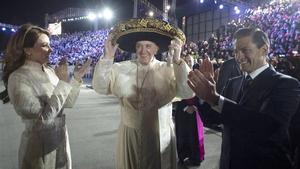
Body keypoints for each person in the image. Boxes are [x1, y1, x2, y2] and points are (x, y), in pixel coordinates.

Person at [187, 27, 300, 169]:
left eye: (245, 50)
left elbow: (266, 127)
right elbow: (213, 119)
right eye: (235, 51)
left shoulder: (286, 84)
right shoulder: (233, 83)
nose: (239, 57)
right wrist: (203, 96)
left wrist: (215, 98)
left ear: (264, 50)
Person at [92, 18, 194, 169]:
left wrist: (178, 61)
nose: (142, 50)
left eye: (148, 46)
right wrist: (107, 59)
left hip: (161, 133)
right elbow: (100, 87)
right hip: (130, 135)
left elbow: (187, 93)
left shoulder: (169, 69)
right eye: (139, 46)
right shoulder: (121, 68)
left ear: (156, 49)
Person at [1, 24, 91, 169]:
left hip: (60, 140)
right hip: (38, 146)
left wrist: (76, 79)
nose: (51, 49)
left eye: (49, 45)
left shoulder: (49, 71)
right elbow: (42, 120)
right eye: (44, 45)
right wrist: (62, 83)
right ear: (27, 50)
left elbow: (67, 103)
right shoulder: (18, 77)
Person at [175, 53, 205, 167]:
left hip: (196, 112)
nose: (188, 63)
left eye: (190, 61)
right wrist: (186, 107)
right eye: (186, 61)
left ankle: (196, 157)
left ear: (194, 62)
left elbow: (202, 95)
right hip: (182, 111)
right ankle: (183, 156)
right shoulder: (177, 76)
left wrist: (195, 107)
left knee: (195, 135)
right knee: (182, 134)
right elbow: (175, 94)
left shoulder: (199, 76)